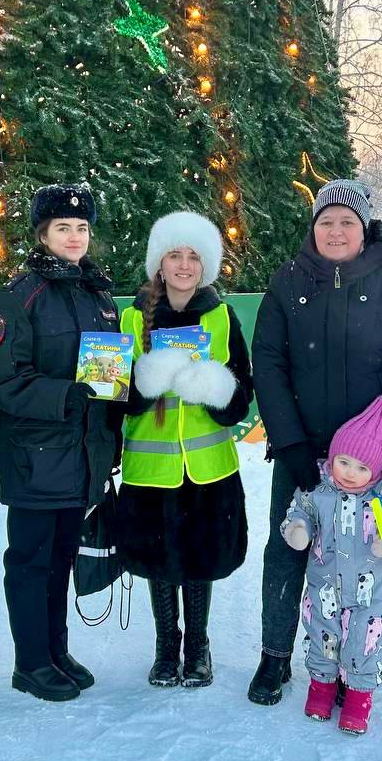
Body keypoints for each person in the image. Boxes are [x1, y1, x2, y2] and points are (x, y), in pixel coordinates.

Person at [249, 179, 382, 706]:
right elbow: (269, 365)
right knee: (288, 545)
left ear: (364, 228)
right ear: (313, 228)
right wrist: (289, 443)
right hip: (302, 450)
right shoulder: (288, 282)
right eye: (325, 221)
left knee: (370, 555)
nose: (335, 231)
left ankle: (358, 659)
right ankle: (274, 655)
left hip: (370, 460)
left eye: (347, 221)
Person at [0, 183, 123, 703]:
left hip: (81, 458)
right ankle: (30, 662)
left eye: (82, 228)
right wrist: (66, 394)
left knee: (62, 558)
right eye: (63, 227)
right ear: (43, 234)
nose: (75, 236)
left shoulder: (99, 296)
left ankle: (56, 651)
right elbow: (1, 378)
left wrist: (115, 410)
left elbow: (107, 380)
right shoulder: (19, 296)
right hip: (37, 457)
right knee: (31, 561)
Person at [115, 212, 253, 689]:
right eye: (174, 254)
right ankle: (165, 647)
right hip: (150, 469)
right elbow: (108, 395)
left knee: (199, 559)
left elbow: (242, 397)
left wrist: (214, 388)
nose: (184, 264)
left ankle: (197, 647)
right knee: (159, 561)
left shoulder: (221, 316)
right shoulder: (130, 317)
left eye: (194, 256)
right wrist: (145, 383)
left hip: (207, 468)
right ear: (159, 262)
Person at [280, 397, 382, 735]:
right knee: (323, 634)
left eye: (362, 468)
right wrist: (297, 529)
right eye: (344, 462)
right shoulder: (318, 488)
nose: (350, 473)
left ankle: (359, 699)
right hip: (325, 586)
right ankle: (322, 688)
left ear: (375, 470)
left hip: (371, 591)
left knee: (364, 641)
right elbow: (300, 512)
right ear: (333, 457)